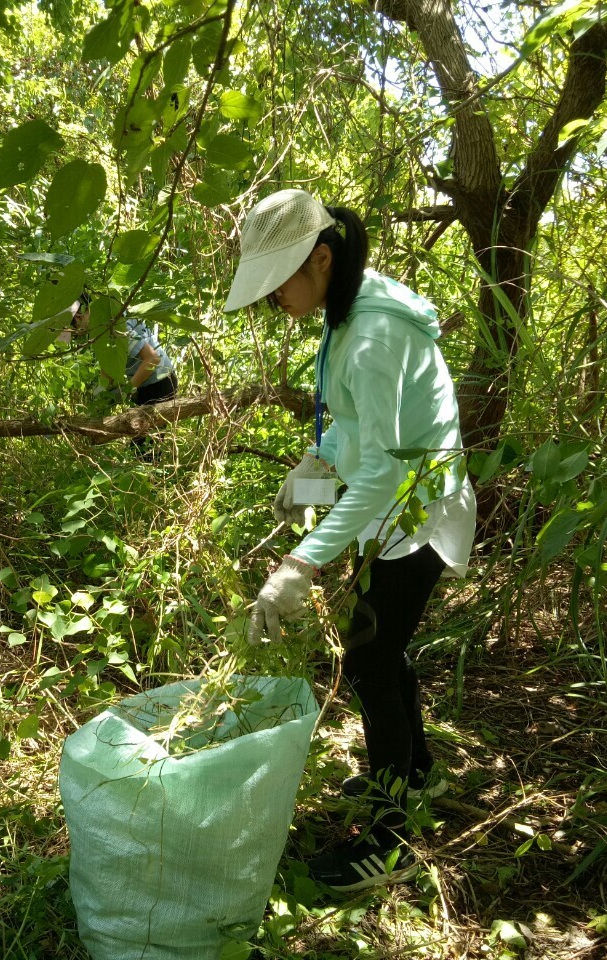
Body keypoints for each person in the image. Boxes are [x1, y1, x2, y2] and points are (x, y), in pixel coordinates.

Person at [222, 189, 476, 893]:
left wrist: (301, 562)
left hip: (418, 513)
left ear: (321, 260)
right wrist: (318, 464)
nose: (274, 302)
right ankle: (415, 774)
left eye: (278, 286)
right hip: (393, 504)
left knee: (368, 662)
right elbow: (360, 426)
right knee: (380, 651)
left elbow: (386, 475)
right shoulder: (348, 311)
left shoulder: (371, 333)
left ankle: (386, 842)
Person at [62, 292, 178, 456]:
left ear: (79, 318)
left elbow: (152, 359)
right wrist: (102, 396)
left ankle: (149, 479)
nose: (80, 332)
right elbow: (108, 364)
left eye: (77, 330)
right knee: (140, 445)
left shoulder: (113, 326)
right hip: (148, 385)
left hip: (160, 383)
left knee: (145, 449)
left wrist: (127, 389)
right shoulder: (105, 321)